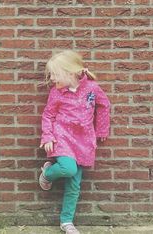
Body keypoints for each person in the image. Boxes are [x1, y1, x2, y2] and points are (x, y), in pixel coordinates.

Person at [39, 50, 110, 234]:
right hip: (62, 137)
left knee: (74, 184)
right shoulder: (56, 93)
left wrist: (101, 129)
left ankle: (66, 221)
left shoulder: (92, 88)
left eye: (55, 74)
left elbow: (104, 105)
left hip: (83, 140)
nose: (52, 79)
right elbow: (48, 115)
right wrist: (47, 136)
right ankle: (47, 173)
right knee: (68, 168)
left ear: (70, 72)